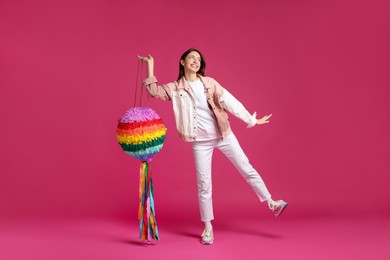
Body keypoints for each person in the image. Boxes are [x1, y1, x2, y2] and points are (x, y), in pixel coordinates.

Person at [138, 48, 287, 245]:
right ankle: (208, 228)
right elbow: (154, 91)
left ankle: (271, 202)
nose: (195, 61)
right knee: (204, 184)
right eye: (191, 57)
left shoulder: (209, 83)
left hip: (223, 134)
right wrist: (151, 66)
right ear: (182, 62)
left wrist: (251, 119)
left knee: (246, 167)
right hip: (200, 141)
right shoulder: (176, 88)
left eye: (198, 59)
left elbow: (230, 101)